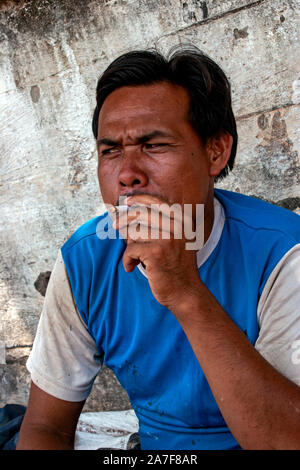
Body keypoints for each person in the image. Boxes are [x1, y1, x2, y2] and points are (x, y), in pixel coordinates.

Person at [17, 46, 300, 450]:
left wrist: (185, 291)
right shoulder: (85, 261)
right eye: (110, 150)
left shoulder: (283, 253)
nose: (128, 174)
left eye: (154, 145)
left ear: (215, 151)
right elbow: (46, 427)